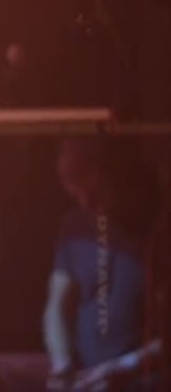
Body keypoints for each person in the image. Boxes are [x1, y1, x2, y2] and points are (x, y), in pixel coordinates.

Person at [43, 138, 163, 391]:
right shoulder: (73, 227)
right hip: (88, 382)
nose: (84, 201)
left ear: (113, 174)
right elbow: (55, 307)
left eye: (94, 191)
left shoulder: (157, 233)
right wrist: (62, 366)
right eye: (73, 188)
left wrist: (120, 367)